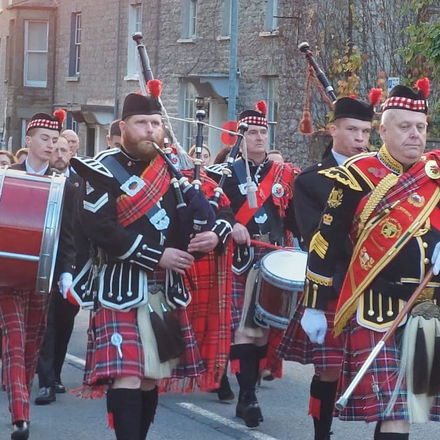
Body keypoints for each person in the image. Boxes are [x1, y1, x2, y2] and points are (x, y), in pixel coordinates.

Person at [71, 86, 233, 440]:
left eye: (155, 123)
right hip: (120, 288)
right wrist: (157, 255)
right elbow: (100, 228)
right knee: (128, 375)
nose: (150, 130)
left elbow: (219, 210)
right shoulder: (101, 169)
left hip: (165, 289)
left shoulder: (176, 171)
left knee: (149, 377)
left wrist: (215, 235)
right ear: (123, 126)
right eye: (141, 122)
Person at [302, 78, 440, 440]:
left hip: (428, 309)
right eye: (405, 126)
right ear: (383, 131)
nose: (415, 135)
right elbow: (325, 240)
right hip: (377, 308)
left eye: (421, 127)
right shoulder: (357, 174)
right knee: (395, 410)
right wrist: (314, 304)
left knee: (408, 409)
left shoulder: (435, 175)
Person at [277, 92, 379, 440]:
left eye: (365, 132)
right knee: (329, 371)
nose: (360, 139)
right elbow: (314, 237)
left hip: (378, 285)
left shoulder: (383, 174)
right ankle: (322, 434)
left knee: (383, 369)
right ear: (333, 129)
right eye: (352, 130)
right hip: (335, 284)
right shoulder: (311, 180)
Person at [207, 100, 299, 428]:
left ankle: (249, 390)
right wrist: (231, 222)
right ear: (239, 137)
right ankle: (247, 397)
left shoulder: (284, 174)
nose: (260, 138)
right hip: (239, 259)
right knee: (245, 329)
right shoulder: (225, 173)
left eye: (263, 132)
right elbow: (211, 207)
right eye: (252, 133)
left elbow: (294, 215)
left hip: (273, 256)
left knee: (263, 331)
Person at [1, 111, 75, 440]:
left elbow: (68, 235)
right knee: (15, 344)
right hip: (6, 278)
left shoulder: (63, 184)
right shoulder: (6, 177)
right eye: (44, 139)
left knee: (32, 346)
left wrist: (66, 273)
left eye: (55, 140)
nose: (50, 145)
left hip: (41, 279)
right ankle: (21, 417)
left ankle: (20, 395)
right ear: (28, 140)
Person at [35, 135, 82, 404]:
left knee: (65, 321)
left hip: (73, 262)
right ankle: (46, 382)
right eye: (56, 150)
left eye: (65, 150)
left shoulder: (80, 182)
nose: (60, 154)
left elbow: (81, 227)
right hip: (42, 261)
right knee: (47, 323)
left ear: (71, 152)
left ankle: (56, 374)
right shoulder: (38, 180)